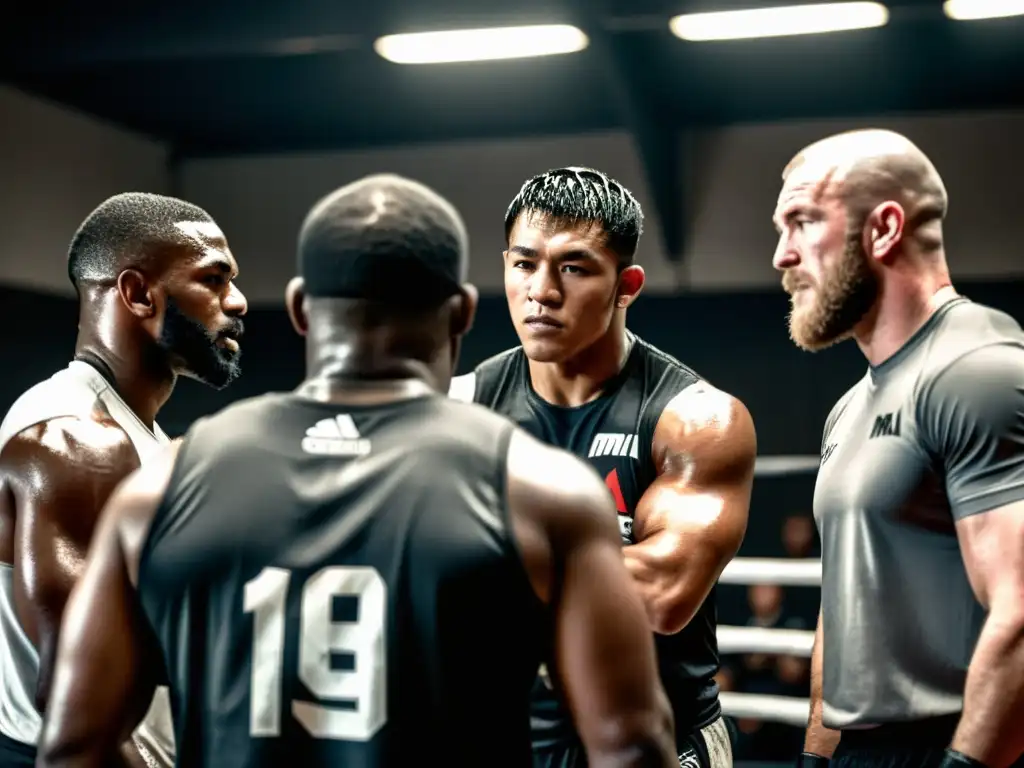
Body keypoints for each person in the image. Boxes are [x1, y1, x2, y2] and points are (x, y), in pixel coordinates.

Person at [36, 173, 678, 768]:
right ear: (461, 311)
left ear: (298, 309)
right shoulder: (543, 492)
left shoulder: (161, 485)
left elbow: (70, 747)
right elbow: (629, 749)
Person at [450, 166, 757, 768]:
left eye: (573, 266)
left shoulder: (695, 419)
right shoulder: (461, 406)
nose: (541, 290)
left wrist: (471, 570)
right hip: (510, 737)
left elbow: (664, 594)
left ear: (627, 284)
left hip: (662, 738)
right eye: (523, 264)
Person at [772, 129, 1024, 768]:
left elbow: (1021, 614)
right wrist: (819, 755)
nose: (782, 255)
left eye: (802, 222)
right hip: (862, 751)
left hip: (958, 747)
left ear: (884, 228)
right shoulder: (850, 407)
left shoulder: (977, 368)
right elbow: (844, 610)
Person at [0, 192, 247, 768]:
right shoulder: (75, 440)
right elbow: (78, 706)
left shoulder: (139, 439)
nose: (236, 302)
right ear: (137, 293)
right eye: (213, 280)